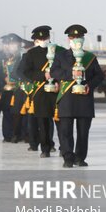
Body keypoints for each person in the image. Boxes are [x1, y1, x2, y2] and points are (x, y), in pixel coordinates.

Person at [50, 25, 104, 168]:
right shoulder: (60, 56)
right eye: (73, 37)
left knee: (83, 132)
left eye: (79, 37)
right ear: (68, 39)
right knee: (65, 131)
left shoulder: (90, 57)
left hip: (84, 99)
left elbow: (100, 75)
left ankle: (80, 157)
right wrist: (71, 75)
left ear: (83, 39)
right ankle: (68, 157)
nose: (76, 40)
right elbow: (54, 72)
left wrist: (89, 85)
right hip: (67, 99)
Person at [17, 26, 64, 158]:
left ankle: (64, 148)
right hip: (41, 92)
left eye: (45, 38)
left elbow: (66, 68)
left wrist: (58, 80)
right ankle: (45, 148)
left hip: (58, 90)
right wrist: (43, 75)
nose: (43, 40)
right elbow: (26, 71)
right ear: (37, 39)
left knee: (62, 123)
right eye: (40, 38)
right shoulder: (31, 54)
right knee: (43, 123)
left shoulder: (60, 51)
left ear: (49, 37)